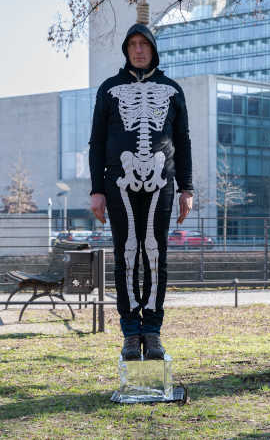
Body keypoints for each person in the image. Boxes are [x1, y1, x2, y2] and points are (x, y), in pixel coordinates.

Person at [89, 22, 194, 361]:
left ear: (152, 49)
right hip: (118, 181)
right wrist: (95, 189)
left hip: (162, 182)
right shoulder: (109, 89)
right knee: (126, 253)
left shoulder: (172, 90)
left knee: (155, 254)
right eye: (132, 44)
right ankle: (131, 334)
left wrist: (187, 187)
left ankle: (153, 330)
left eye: (143, 44)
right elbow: (97, 143)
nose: (138, 50)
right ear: (126, 49)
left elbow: (183, 143)